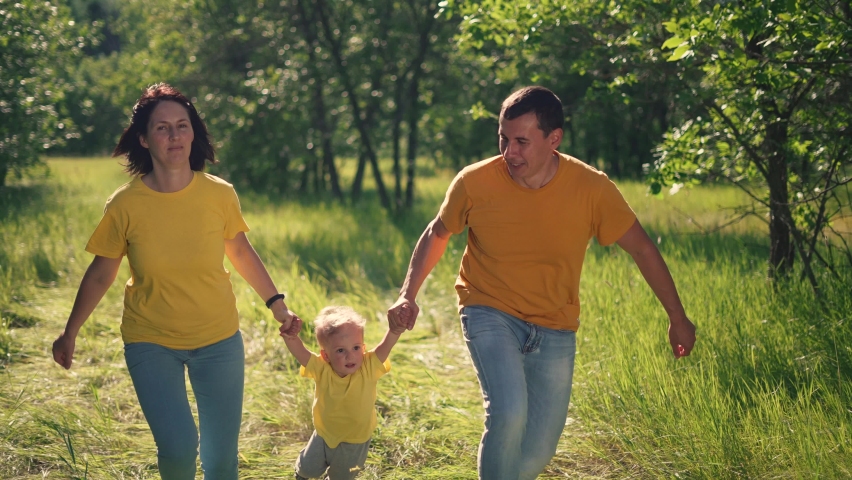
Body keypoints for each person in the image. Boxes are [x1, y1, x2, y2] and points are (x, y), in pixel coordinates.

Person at [386, 86, 697, 479]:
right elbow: (438, 232)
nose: (509, 152)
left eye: (521, 141)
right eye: (503, 138)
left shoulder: (591, 188)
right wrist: (407, 294)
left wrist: (677, 316)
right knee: (508, 412)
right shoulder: (475, 181)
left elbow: (643, 250)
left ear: (554, 139)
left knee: (539, 447)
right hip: (488, 308)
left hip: (555, 324)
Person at [51, 83, 299, 480]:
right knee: (180, 449)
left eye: (182, 126)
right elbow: (101, 271)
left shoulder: (219, 194)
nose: (174, 136)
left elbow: (240, 251)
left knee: (220, 461)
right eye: (162, 128)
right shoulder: (125, 204)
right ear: (145, 139)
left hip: (218, 339)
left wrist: (277, 304)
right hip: (151, 340)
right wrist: (70, 332)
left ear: (193, 133)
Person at [279, 305, 408, 479]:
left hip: (355, 440)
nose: (351, 356)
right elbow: (300, 352)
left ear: (363, 348)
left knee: (341, 476)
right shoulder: (322, 369)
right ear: (326, 356)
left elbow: (386, 345)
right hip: (324, 434)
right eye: (341, 350)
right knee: (306, 469)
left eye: (356, 348)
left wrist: (395, 330)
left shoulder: (368, 367)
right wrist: (291, 337)